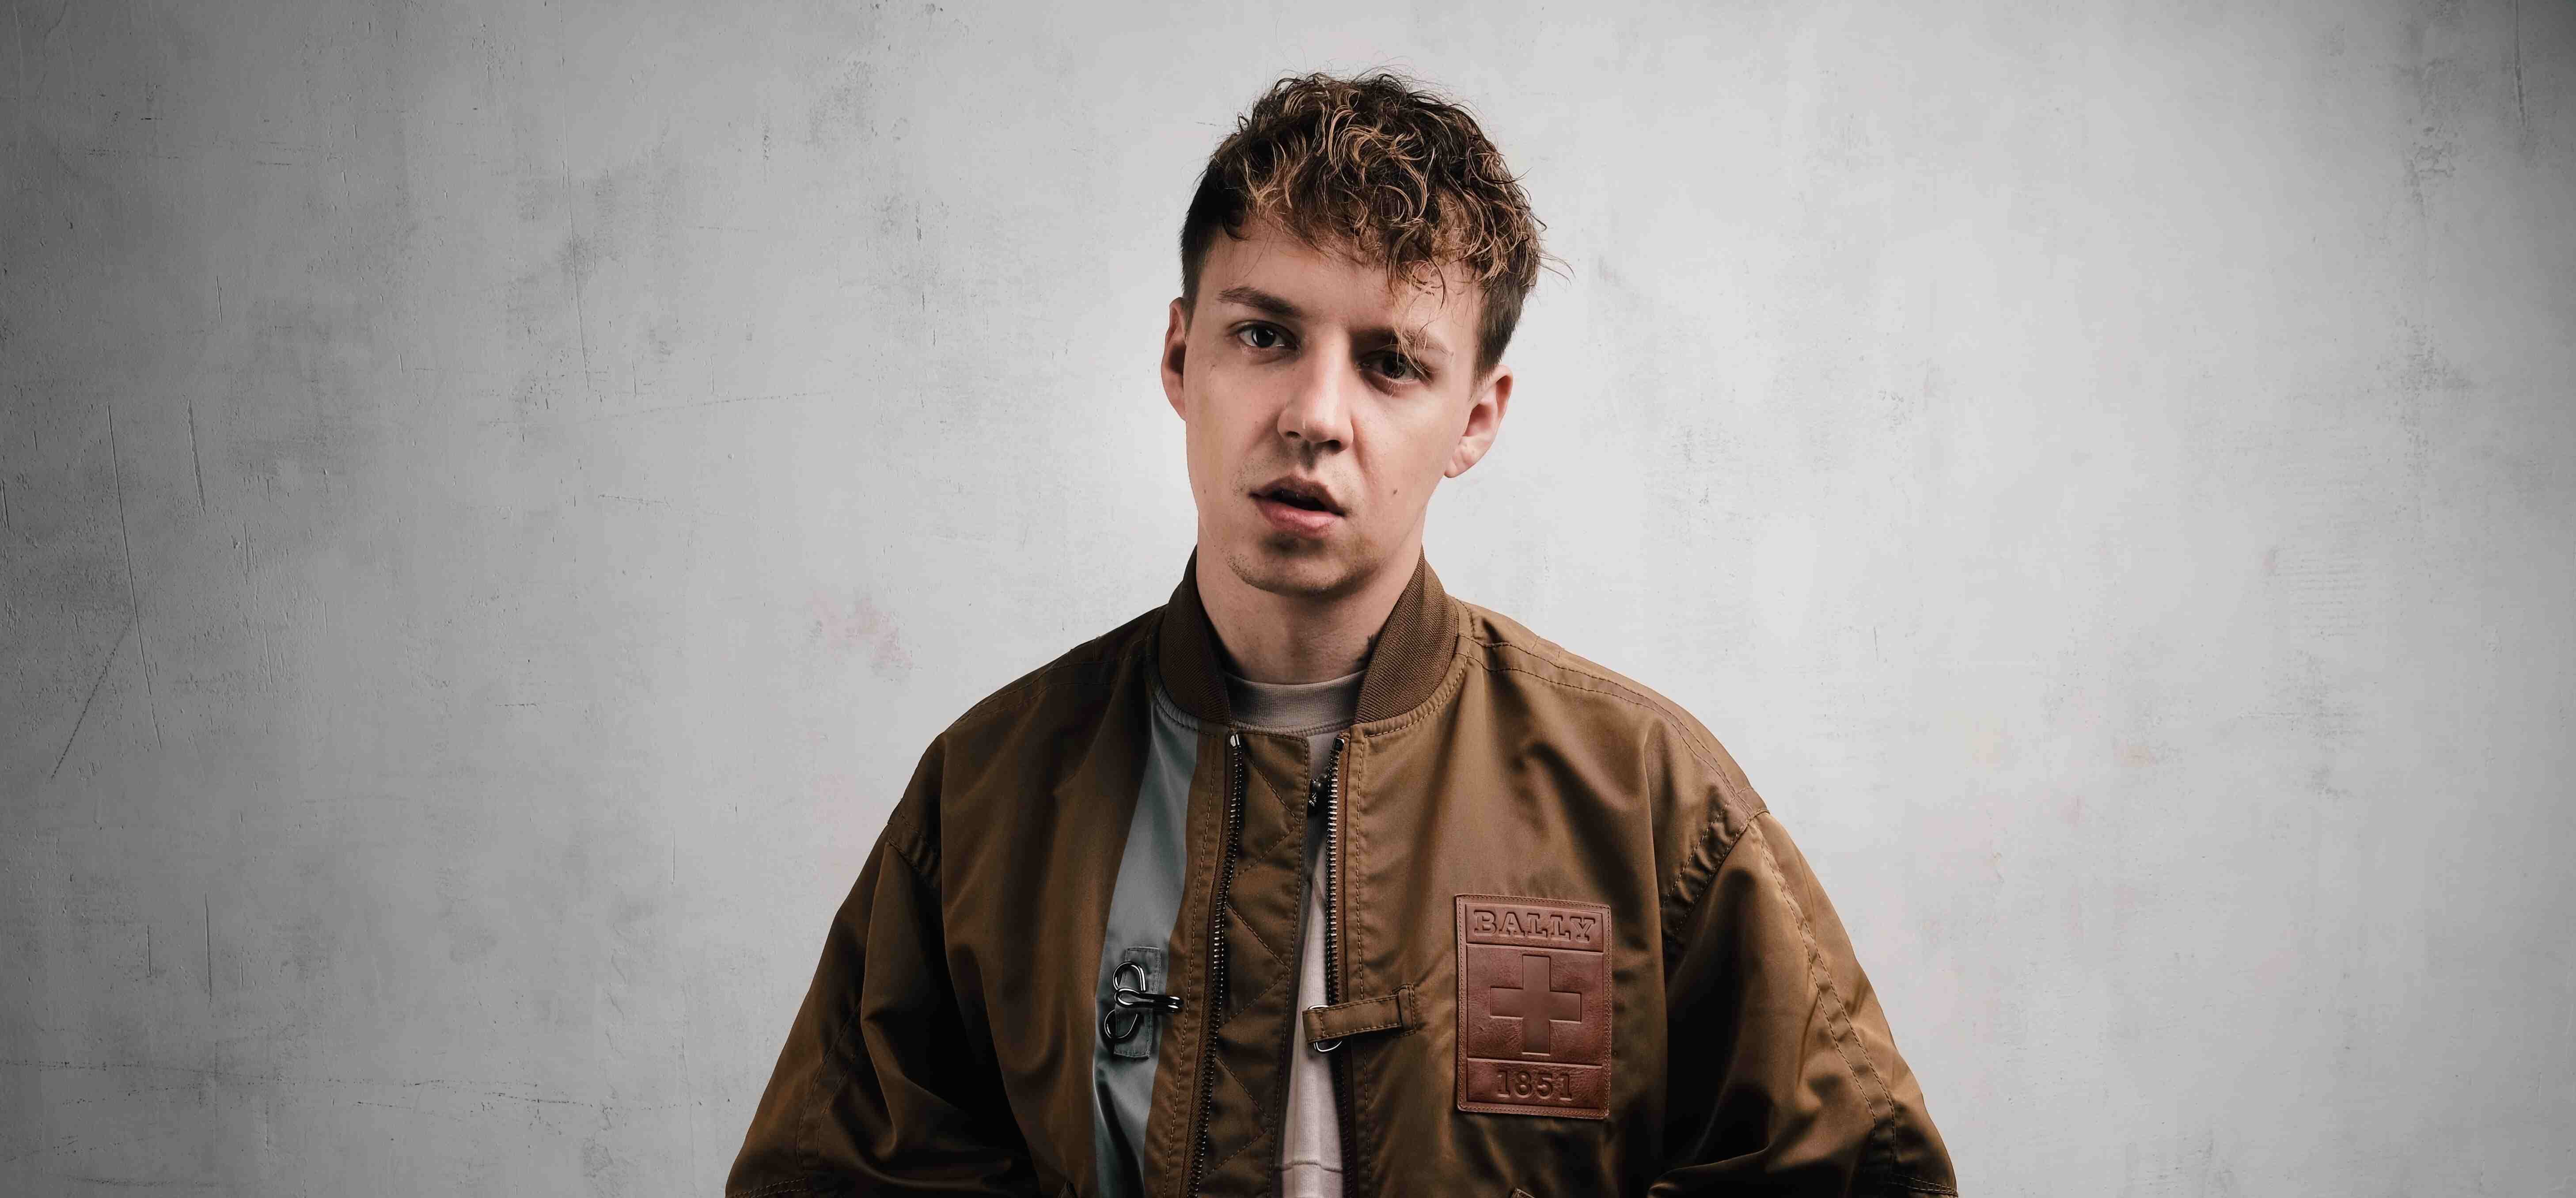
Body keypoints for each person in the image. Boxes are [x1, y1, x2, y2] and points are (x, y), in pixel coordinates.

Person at [726, 70, 1958, 1198]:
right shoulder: (992, 794)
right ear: (1181, 355)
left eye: (1391, 364)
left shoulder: (1643, 799)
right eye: (1265, 336)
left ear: (1475, 420)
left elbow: (1856, 1181)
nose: (1315, 416)